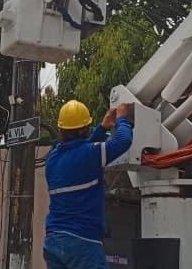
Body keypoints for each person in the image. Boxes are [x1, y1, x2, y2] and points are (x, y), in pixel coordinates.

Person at [43, 100, 134, 269]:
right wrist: (122, 119)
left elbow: (81, 152)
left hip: (54, 241)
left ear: (61, 129)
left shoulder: (52, 160)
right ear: (84, 129)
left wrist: (102, 128)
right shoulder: (90, 154)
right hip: (82, 242)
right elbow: (123, 141)